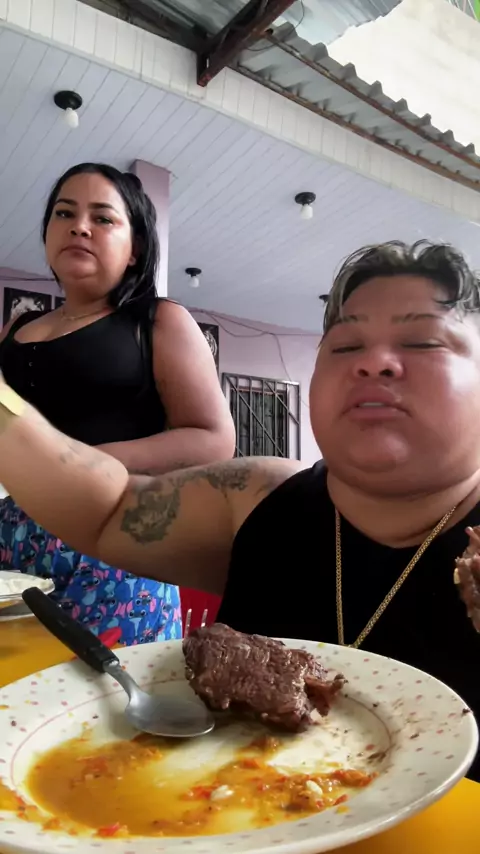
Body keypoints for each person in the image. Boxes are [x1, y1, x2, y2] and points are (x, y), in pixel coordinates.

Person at [0, 240, 479, 780]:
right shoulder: (254, 495)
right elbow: (107, 507)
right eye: (346, 346)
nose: (373, 363)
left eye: (421, 341)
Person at [0, 162, 235, 644]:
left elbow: (212, 439)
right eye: (64, 213)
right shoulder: (16, 329)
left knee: (108, 687)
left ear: (136, 248)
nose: (79, 226)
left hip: (116, 553)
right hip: (10, 553)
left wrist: (78, 462)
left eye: (103, 218)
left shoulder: (158, 321)